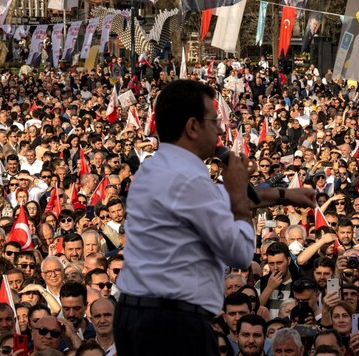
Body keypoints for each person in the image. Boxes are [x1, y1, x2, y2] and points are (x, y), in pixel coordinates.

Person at [114, 80, 315, 356]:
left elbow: (223, 199)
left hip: (138, 314)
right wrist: (237, 190)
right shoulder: (188, 179)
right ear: (193, 126)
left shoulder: (156, 169)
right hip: (170, 327)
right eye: (214, 120)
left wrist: (284, 195)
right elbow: (240, 253)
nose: (221, 129)